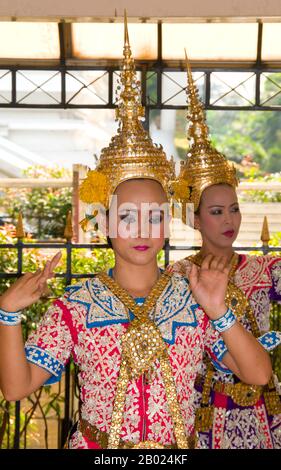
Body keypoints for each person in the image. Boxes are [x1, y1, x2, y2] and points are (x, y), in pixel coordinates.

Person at [0, 20, 272, 450]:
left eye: (155, 216)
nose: (143, 229)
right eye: (128, 217)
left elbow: (258, 375)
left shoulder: (193, 298)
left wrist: (219, 310)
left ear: (169, 222)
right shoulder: (76, 305)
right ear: (105, 224)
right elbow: (17, 389)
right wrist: (8, 314)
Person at [170, 56, 281, 449]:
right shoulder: (177, 276)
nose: (228, 219)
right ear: (195, 219)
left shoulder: (267, 270)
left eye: (233, 208)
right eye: (216, 212)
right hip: (203, 412)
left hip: (267, 411)